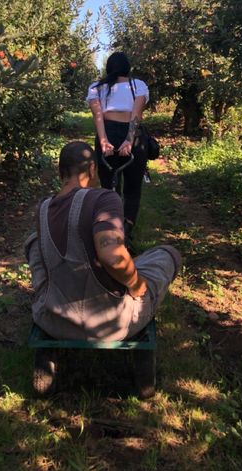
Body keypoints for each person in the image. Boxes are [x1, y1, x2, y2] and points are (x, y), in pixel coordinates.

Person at [25, 140, 181, 341]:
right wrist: (136, 286)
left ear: (60, 172)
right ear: (92, 169)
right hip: (109, 324)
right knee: (166, 254)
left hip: (53, 321)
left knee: (35, 241)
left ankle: (48, 299)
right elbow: (113, 258)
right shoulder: (104, 199)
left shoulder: (43, 208)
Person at [86, 51, 149, 249]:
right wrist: (129, 140)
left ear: (108, 68)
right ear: (127, 68)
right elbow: (136, 115)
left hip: (107, 131)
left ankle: (110, 232)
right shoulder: (138, 85)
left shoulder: (96, 88)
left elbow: (98, 117)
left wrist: (104, 141)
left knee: (108, 186)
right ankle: (127, 233)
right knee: (133, 188)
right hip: (132, 134)